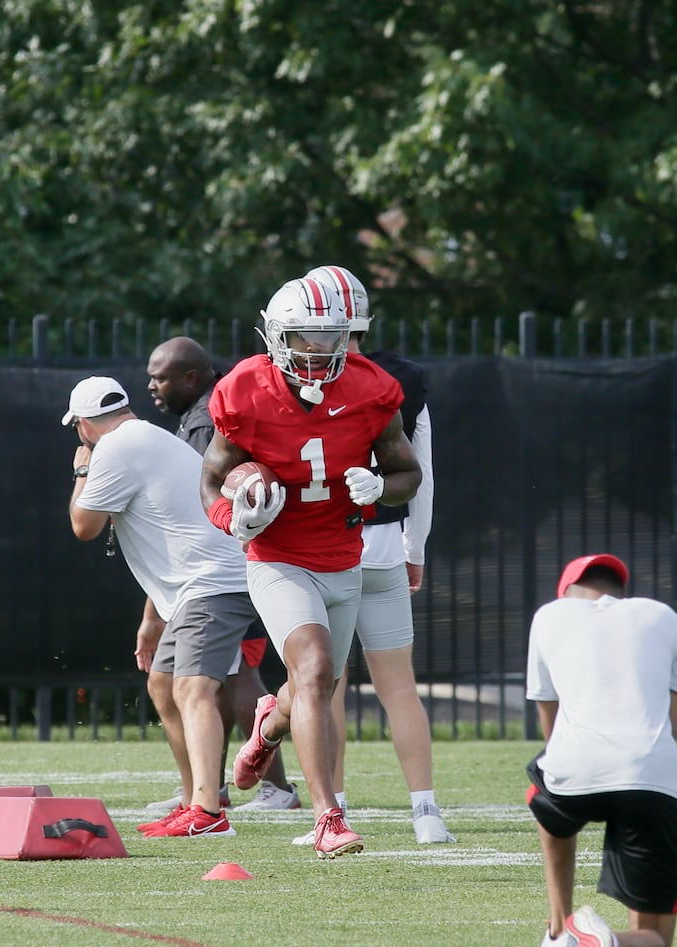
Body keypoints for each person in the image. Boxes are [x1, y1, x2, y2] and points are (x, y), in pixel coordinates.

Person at [202, 275, 420, 858]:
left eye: (331, 335)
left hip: (342, 555)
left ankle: (268, 725)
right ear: (278, 335)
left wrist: (381, 485)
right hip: (277, 557)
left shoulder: (374, 388)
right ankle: (329, 817)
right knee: (318, 668)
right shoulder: (244, 389)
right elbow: (210, 480)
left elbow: (409, 475)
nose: (318, 348)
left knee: (311, 689)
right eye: (306, 335)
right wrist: (232, 519)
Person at [303, 263, 453, 846]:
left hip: (320, 548)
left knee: (324, 686)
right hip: (385, 542)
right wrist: (416, 546)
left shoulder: (294, 378)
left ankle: (333, 809)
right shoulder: (399, 381)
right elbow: (424, 475)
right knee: (398, 687)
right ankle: (426, 811)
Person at [66, 376, 252, 837]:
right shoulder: (147, 436)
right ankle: (193, 801)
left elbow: (83, 526)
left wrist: (80, 470)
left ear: (85, 426)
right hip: (200, 584)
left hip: (213, 584)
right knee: (164, 685)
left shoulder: (111, 449)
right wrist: (151, 619)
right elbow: (171, 534)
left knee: (191, 689)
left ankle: (209, 811)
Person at [144, 336, 297, 812]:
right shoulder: (202, 414)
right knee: (226, 674)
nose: (152, 386)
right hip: (230, 562)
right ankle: (215, 785)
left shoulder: (207, 420)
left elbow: (198, 503)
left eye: (161, 377)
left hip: (226, 565)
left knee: (237, 674)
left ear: (191, 377)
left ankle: (267, 787)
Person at [525, 553, 677, 947]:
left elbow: (551, 726)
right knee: (654, 944)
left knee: (541, 786)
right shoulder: (663, 616)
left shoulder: (550, 616)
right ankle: (614, 940)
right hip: (651, 778)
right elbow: (671, 723)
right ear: (620, 592)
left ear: (566, 593)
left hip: (572, 776)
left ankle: (560, 927)